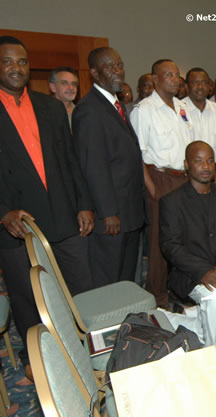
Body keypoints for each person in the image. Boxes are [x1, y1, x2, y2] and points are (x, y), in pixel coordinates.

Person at [0, 36, 94, 375]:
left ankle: (86, 346)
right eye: (8, 61)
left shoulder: (50, 107)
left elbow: (70, 163)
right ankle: (37, 359)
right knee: (28, 295)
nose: (16, 68)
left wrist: (84, 204)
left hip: (64, 214)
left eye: (22, 62)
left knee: (79, 285)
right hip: (17, 222)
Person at [159, 141, 216, 366]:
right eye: (198, 161)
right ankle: (215, 362)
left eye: (210, 161)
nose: (205, 166)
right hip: (188, 274)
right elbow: (170, 246)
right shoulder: (172, 202)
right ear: (186, 165)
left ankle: (174, 319)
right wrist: (203, 272)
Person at [72, 47, 145, 287]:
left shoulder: (117, 105)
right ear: (94, 73)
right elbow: (93, 165)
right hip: (112, 216)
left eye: (120, 65)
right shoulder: (89, 109)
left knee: (126, 279)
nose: (117, 71)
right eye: (109, 66)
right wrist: (107, 212)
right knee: (109, 280)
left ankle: (125, 323)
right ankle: (106, 324)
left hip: (130, 212)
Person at [130, 58, 192, 308]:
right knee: (159, 242)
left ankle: (179, 290)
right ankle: (158, 295)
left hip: (184, 178)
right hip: (160, 178)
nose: (175, 79)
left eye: (177, 75)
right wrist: (153, 189)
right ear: (155, 78)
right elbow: (136, 155)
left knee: (183, 240)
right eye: (168, 75)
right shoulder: (143, 110)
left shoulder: (182, 107)